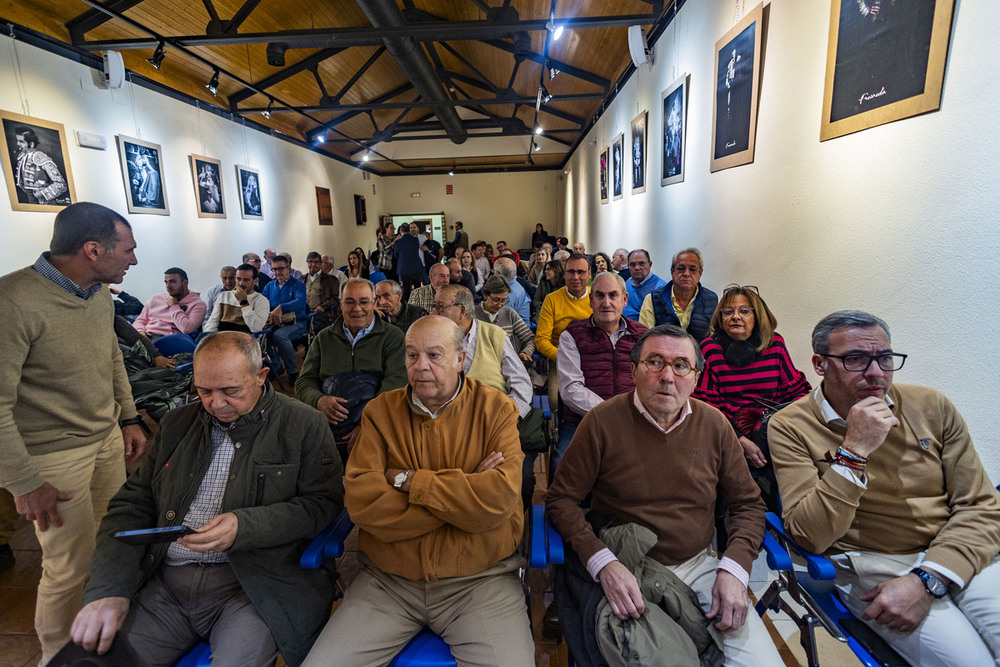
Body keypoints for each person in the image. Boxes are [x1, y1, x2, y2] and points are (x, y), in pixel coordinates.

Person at [70, 332, 343, 667]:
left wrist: (246, 526)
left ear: (261, 376)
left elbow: (322, 505)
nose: (215, 403)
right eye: (203, 390)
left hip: (253, 587)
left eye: (231, 390)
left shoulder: (303, 424)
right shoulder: (177, 424)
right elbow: (131, 506)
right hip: (167, 584)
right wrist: (109, 589)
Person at [769, 311, 1000, 666]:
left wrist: (928, 578)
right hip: (872, 563)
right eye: (856, 359)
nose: (876, 372)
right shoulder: (790, 425)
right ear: (819, 364)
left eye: (885, 359)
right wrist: (854, 450)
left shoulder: (931, 406)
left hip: (956, 548)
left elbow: (981, 505)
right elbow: (810, 536)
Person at [302, 316, 533, 666]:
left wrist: (407, 481)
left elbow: (497, 502)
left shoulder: (496, 409)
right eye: (412, 355)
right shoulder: (380, 413)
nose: (420, 366)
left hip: (480, 582)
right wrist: (464, 497)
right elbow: (364, 504)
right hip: (388, 583)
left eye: (434, 355)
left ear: (461, 358)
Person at [546, 325, 782, 667]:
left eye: (681, 365)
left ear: (696, 377)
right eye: (654, 362)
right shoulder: (602, 421)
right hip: (628, 566)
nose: (667, 376)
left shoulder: (715, 425)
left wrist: (735, 569)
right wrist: (602, 563)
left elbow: (747, 504)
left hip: (701, 566)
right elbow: (561, 500)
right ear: (634, 370)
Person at [0, 202, 146, 664]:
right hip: (54, 458)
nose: (134, 260)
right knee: (67, 567)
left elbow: (111, 358)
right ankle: (58, 657)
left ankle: (104, 637)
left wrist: (128, 417)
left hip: (104, 441)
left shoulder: (97, 292)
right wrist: (24, 482)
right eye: (128, 250)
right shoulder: (13, 302)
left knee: (111, 545)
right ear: (92, 249)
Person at [694, 285, 810, 474]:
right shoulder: (709, 348)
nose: (735, 316)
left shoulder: (775, 344)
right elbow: (707, 408)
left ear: (757, 316)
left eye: (745, 311)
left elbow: (798, 393)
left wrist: (782, 429)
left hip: (773, 429)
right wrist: (739, 439)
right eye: (728, 312)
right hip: (727, 432)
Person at [295, 279, 407, 455]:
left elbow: (396, 384)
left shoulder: (393, 337)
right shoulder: (324, 338)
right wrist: (318, 400)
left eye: (363, 302)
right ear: (340, 303)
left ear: (374, 303)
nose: (357, 309)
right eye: (349, 302)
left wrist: (369, 423)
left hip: (378, 423)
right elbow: (304, 381)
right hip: (328, 425)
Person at [555, 272, 647, 469]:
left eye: (613, 295)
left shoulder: (642, 336)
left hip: (634, 419)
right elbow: (571, 389)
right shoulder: (571, 335)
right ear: (590, 300)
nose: (606, 302)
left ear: (624, 299)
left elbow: (649, 383)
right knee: (562, 465)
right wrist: (611, 415)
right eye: (600, 295)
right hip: (582, 422)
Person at [536, 253, 593, 408]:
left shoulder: (597, 297)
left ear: (589, 274)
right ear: (565, 274)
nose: (575, 277)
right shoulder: (552, 299)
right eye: (571, 272)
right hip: (561, 358)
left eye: (581, 272)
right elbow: (541, 340)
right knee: (555, 398)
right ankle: (556, 428)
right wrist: (564, 357)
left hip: (592, 357)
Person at [639, 247, 719, 343]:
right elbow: (645, 339)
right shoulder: (652, 299)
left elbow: (714, 337)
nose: (686, 274)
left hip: (700, 356)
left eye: (692, 269)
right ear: (672, 271)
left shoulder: (711, 300)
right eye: (681, 269)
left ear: (700, 273)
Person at [261, 254, 308, 383]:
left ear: (289, 268)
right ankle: (276, 366)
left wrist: (281, 307)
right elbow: (262, 303)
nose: (277, 272)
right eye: (274, 269)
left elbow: (300, 302)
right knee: (262, 337)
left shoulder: (298, 285)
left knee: (279, 336)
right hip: (276, 323)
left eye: (281, 268)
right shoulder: (269, 286)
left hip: (297, 322)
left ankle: (292, 371)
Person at [133, 267, 207, 339]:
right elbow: (140, 320)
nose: (168, 286)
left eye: (172, 281)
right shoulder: (156, 299)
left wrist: (174, 306)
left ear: (185, 282)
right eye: (166, 282)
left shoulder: (198, 305)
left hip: (169, 340)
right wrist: (140, 331)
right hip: (146, 335)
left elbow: (186, 329)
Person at [475, 275, 535, 362]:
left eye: (504, 300)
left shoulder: (509, 313)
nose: (500, 305)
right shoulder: (473, 316)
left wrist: (525, 352)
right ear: (485, 295)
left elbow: (529, 338)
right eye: (496, 300)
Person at [203, 264, 270, 334]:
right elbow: (213, 322)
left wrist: (243, 302)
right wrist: (208, 337)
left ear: (255, 281)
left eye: (246, 280)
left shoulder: (261, 300)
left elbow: (255, 328)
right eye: (238, 279)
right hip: (221, 337)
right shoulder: (224, 296)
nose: (241, 283)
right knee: (201, 337)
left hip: (244, 340)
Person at [13, 126, 69, 206]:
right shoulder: (21, 157)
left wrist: (41, 193)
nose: (18, 144)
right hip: (29, 200)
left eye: (21, 141)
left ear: (31, 144)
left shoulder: (41, 157)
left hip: (43, 201)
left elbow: (61, 184)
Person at [623, 249, 666, 321]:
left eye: (641, 263)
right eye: (632, 264)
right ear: (628, 266)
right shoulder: (628, 282)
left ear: (650, 264)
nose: (637, 268)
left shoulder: (660, 288)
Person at [302, 251, 340, 331]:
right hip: (303, 313)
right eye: (310, 262)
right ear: (307, 262)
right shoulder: (302, 279)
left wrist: (323, 306)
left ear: (320, 263)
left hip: (322, 313)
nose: (313, 264)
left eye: (316, 262)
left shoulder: (331, 279)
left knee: (317, 328)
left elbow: (335, 298)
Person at [493, 256, 531, 325]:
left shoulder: (508, 295)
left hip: (516, 332)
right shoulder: (515, 285)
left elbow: (500, 321)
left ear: (497, 273)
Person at [393, 223, 424, 300]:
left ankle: (408, 305)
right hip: (415, 266)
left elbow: (396, 255)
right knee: (418, 288)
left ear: (400, 230)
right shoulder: (415, 240)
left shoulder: (398, 242)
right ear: (409, 230)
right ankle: (419, 303)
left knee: (407, 289)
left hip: (404, 268)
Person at [531, 259, 564, 323]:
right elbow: (536, 299)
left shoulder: (564, 284)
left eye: (548, 269)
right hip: (543, 310)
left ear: (556, 270)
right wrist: (543, 306)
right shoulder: (543, 282)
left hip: (559, 313)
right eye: (545, 269)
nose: (545, 271)